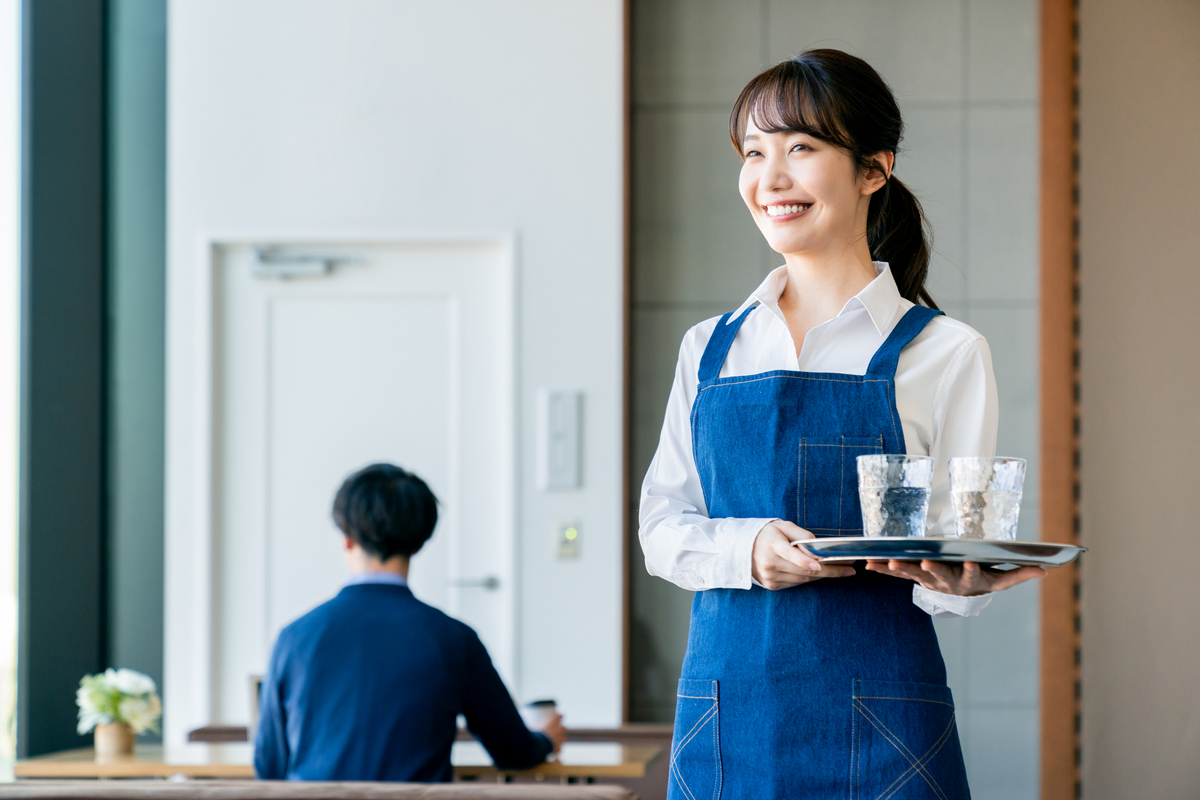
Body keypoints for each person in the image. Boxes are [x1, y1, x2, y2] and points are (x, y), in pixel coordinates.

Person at [638, 51, 1047, 799]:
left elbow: (956, 559)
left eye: (802, 147)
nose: (771, 178)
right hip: (727, 715)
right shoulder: (710, 347)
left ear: (873, 168)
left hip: (886, 719)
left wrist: (962, 582)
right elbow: (662, 528)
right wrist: (751, 547)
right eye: (754, 152)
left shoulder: (945, 351)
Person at [254, 463, 566, 781]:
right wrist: (544, 739)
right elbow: (512, 752)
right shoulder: (454, 640)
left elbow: (269, 765)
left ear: (346, 539)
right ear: (419, 542)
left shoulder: (294, 638)